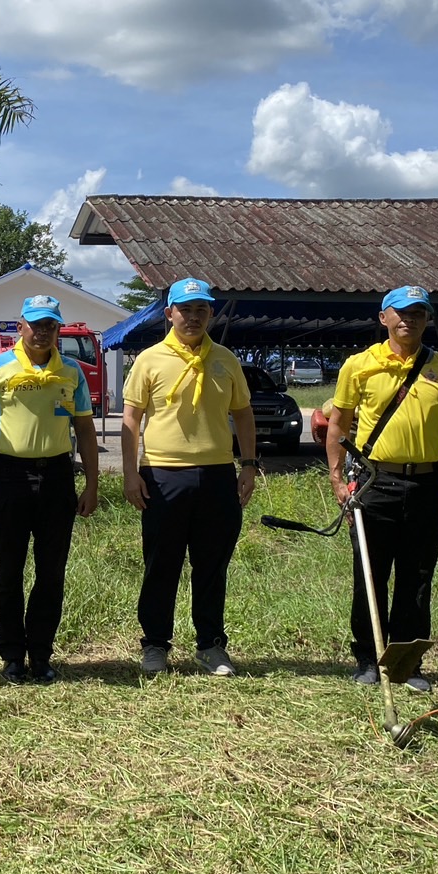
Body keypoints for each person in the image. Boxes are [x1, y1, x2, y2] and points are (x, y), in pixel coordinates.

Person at [325, 285, 438, 694]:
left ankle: (407, 663)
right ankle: (368, 659)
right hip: (373, 484)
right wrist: (337, 478)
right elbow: (338, 424)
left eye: (418, 313)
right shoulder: (359, 365)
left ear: (427, 320)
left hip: (426, 485)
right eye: (402, 313)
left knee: (418, 576)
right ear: (384, 317)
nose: (409, 320)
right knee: (369, 575)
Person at [120, 277, 257, 677]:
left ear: (211, 313)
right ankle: (155, 644)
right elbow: (131, 418)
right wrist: (130, 473)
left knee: (212, 566)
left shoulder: (225, 359)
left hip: (217, 475)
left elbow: (243, 413)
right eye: (185, 309)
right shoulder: (149, 360)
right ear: (169, 314)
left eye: (201, 310)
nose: (193, 317)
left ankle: (211, 645)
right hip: (163, 475)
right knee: (161, 564)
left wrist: (248, 464)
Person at [0, 294, 99, 684]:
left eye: (50, 325)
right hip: (10, 475)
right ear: (20, 325)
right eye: (36, 324)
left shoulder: (71, 372)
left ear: (58, 329)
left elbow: (85, 429)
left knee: (51, 571)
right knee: (8, 570)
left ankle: (41, 654)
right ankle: (12, 655)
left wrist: (92, 484)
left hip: (57, 476)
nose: (42, 331)